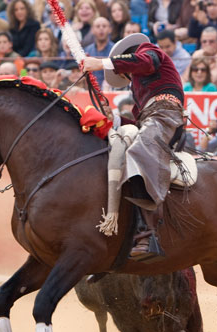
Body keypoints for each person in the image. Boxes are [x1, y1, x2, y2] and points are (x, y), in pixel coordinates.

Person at [82, 32, 185, 259]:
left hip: (165, 114)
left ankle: (147, 233)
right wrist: (114, 119)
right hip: (156, 118)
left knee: (138, 152)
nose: (130, 76)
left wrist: (100, 63)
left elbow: (146, 63)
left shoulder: (149, 51)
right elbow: (138, 123)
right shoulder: (141, 90)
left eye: (127, 71)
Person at [84, 17, 113, 86]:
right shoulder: (87, 50)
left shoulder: (115, 49)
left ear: (110, 29)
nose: (101, 28)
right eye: (98, 26)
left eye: (104, 26)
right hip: (91, 90)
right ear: (92, 30)